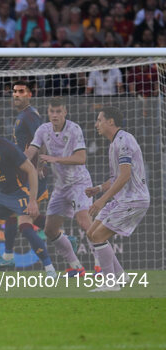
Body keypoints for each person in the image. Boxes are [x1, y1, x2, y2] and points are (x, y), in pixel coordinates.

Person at [0, 121, 57, 278]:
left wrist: (32, 200)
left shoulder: (7, 147)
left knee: (26, 228)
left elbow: (31, 170)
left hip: (20, 193)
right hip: (3, 196)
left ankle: (50, 269)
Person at [25, 97, 101, 277]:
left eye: (58, 112)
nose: (55, 115)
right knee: (50, 230)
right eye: (52, 111)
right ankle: (76, 267)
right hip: (61, 187)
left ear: (65, 112)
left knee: (83, 220)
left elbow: (81, 158)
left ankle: (101, 265)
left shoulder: (74, 129)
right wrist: (19, 161)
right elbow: (32, 151)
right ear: (48, 112)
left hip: (79, 183)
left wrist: (54, 159)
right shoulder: (43, 129)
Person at [85, 107, 150, 292]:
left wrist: (102, 200)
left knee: (98, 236)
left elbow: (125, 176)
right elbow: (115, 178)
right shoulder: (114, 143)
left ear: (110, 122)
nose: (96, 124)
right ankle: (121, 276)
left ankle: (110, 283)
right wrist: (98, 189)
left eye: (99, 120)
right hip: (122, 199)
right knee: (91, 233)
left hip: (133, 199)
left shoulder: (124, 140)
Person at [0, 79, 55, 268]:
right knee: (13, 214)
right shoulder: (23, 115)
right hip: (20, 175)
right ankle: (9, 257)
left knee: (24, 221)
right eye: (14, 91)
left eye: (21, 91)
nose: (16, 95)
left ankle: (49, 262)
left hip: (30, 175)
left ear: (29, 94)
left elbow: (42, 138)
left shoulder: (30, 115)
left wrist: (39, 166)